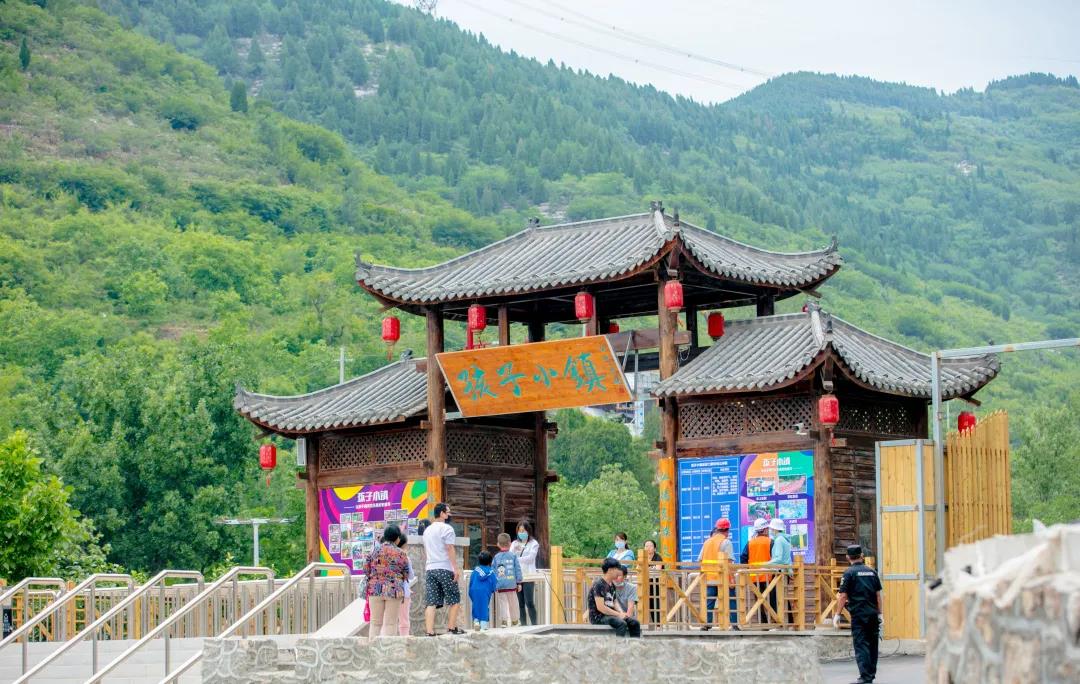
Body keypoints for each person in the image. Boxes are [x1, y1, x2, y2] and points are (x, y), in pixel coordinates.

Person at [835, 544, 883, 684]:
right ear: (862, 556)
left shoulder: (848, 573)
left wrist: (838, 614)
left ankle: (865, 677)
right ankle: (871, 675)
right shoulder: (872, 572)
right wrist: (880, 614)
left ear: (847, 557)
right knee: (873, 645)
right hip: (873, 613)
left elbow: (843, 596)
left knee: (861, 644)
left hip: (859, 614)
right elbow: (878, 596)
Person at [422, 502, 464, 636]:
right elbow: (449, 548)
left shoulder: (427, 530)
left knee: (431, 601)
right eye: (448, 512)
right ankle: (451, 628)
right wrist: (455, 568)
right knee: (454, 599)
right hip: (445, 568)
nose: (450, 515)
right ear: (442, 514)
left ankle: (429, 632)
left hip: (430, 569)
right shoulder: (447, 529)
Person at [362, 524, 410, 639]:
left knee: (375, 623)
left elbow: (366, 569)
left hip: (375, 590)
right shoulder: (401, 553)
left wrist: (375, 577)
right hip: (394, 591)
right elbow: (406, 573)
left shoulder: (374, 551)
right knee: (390, 623)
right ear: (397, 538)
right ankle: (387, 653)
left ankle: (373, 651)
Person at [698, 518, 737, 630]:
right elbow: (729, 562)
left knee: (709, 602)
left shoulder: (707, 542)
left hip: (709, 577)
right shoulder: (726, 542)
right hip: (722, 578)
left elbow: (700, 560)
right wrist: (732, 579)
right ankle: (734, 625)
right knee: (731, 601)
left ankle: (706, 624)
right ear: (727, 530)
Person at [587, 557, 641, 637]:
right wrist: (618, 615)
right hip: (599, 617)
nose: (619, 573)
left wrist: (621, 613)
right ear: (610, 570)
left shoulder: (611, 585)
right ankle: (618, 647)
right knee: (621, 623)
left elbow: (614, 601)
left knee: (635, 623)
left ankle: (635, 646)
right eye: (617, 569)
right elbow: (601, 607)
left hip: (610, 615)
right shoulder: (599, 584)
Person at [510, 520, 540, 626]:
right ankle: (523, 625)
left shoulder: (534, 544)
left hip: (529, 576)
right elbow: (510, 557)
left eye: (523, 530)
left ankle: (535, 624)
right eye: (520, 530)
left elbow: (531, 558)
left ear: (528, 531)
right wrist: (518, 557)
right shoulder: (514, 543)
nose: (521, 532)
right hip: (517, 576)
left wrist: (517, 558)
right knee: (520, 603)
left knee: (529, 602)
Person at [492, 532, 523, 627]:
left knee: (502, 604)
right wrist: (519, 582)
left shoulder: (496, 557)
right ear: (510, 544)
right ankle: (515, 621)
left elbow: (493, 571)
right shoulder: (513, 556)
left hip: (500, 585)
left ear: (498, 544)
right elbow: (517, 569)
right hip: (511, 584)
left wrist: (494, 584)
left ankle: (504, 622)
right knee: (513, 603)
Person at [767, 518, 793, 626]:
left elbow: (779, 559)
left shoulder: (778, 540)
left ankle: (779, 622)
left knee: (775, 597)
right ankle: (789, 622)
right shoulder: (784, 539)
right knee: (781, 597)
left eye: (771, 528)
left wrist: (765, 564)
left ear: (774, 529)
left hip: (780, 572)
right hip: (784, 572)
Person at [747, 517, 773, 623]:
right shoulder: (770, 542)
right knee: (772, 600)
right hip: (769, 576)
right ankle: (775, 622)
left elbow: (743, 558)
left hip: (754, 577)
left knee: (759, 601)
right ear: (765, 529)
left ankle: (763, 622)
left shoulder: (750, 543)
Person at [394, 532, 417, 636]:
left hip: (390, 592)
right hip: (403, 592)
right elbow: (411, 576)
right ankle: (404, 640)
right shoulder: (405, 557)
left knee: (389, 620)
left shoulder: (389, 555)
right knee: (404, 620)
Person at [468, 550, 498, 630]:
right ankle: (484, 625)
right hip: (485, 591)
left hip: (474, 590)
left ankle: (476, 621)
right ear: (490, 561)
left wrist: (471, 593)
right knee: (484, 607)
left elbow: (471, 582)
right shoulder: (491, 572)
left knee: (476, 605)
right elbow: (495, 583)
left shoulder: (475, 570)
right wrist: (492, 590)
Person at [642, 539, 662, 624]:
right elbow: (638, 569)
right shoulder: (642, 557)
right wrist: (649, 569)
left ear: (655, 548)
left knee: (655, 604)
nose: (648, 548)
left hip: (656, 585)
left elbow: (657, 570)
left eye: (650, 546)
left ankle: (658, 624)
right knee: (646, 604)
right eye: (646, 546)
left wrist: (646, 569)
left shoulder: (658, 557)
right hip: (645, 585)